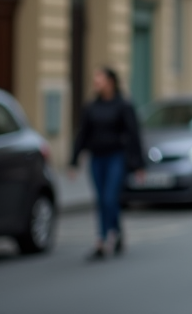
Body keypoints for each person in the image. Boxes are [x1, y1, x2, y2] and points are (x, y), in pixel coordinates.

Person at [70, 66, 145, 260]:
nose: (96, 83)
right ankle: (106, 237)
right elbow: (82, 134)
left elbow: (134, 135)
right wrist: (74, 161)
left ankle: (107, 237)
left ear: (111, 82)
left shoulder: (123, 105)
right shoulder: (91, 107)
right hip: (97, 158)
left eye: (99, 79)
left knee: (110, 198)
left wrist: (139, 165)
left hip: (116, 157)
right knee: (101, 199)